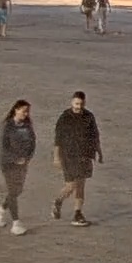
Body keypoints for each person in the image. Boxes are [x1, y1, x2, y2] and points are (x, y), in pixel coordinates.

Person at [51, 91, 104, 226]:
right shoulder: (65, 117)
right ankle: (58, 201)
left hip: (85, 155)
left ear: (84, 103)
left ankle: (77, 213)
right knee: (71, 186)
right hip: (68, 156)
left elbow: (95, 136)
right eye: (76, 104)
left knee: (81, 185)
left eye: (81, 104)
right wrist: (56, 157)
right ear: (71, 102)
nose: (78, 107)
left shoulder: (89, 117)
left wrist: (99, 152)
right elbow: (58, 139)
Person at [0, 100, 35, 236]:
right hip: (8, 163)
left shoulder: (28, 126)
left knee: (17, 191)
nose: (26, 114)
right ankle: (16, 223)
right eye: (24, 111)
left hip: (23, 163)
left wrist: (27, 157)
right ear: (16, 110)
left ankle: (1, 208)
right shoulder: (8, 126)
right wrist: (15, 159)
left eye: (27, 111)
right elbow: (5, 147)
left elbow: (33, 142)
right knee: (13, 191)